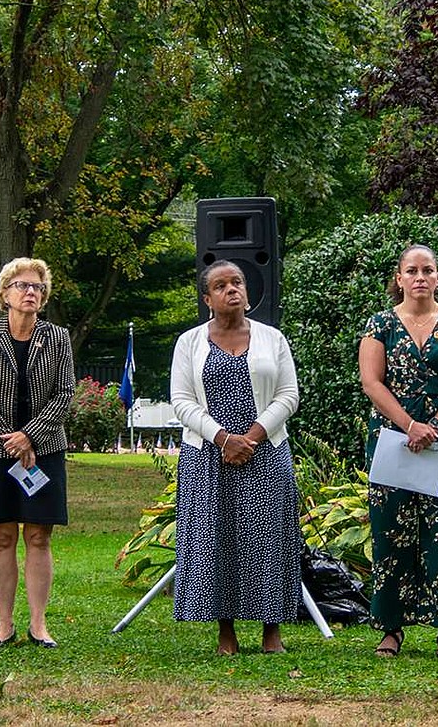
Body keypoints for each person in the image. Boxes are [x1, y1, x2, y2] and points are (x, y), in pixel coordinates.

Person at [170, 260, 301, 655]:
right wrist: (223, 438)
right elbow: (181, 400)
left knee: (268, 539)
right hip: (207, 456)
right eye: (222, 285)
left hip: (266, 452)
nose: (232, 290)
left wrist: (253, 436)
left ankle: (271, 630)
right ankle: (225, 631)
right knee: (217, 538)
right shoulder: (189, 342)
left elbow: (289, 395)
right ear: (207, 298)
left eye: (238, 283)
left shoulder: (272, 339)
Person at [358, 244, 438, 661]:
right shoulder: (380, 325)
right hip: (393, 439)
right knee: (390, 528)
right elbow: (372, 383)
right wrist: (409, 426)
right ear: (399, 278)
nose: (420, 277)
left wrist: (436, 426)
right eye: (411, 270)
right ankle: (390, 628)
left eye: (428, 269)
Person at [0, 257, 75, 648]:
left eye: (38, 288)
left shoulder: (58, 338)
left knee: (38, 536)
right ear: (4, 294)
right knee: (1, 537)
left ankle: (39, 624)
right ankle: (4, 624)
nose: (31, 293)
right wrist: (7, 438)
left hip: (44, 449)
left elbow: (65, 392)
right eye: (23, 286)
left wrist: (29, 436)